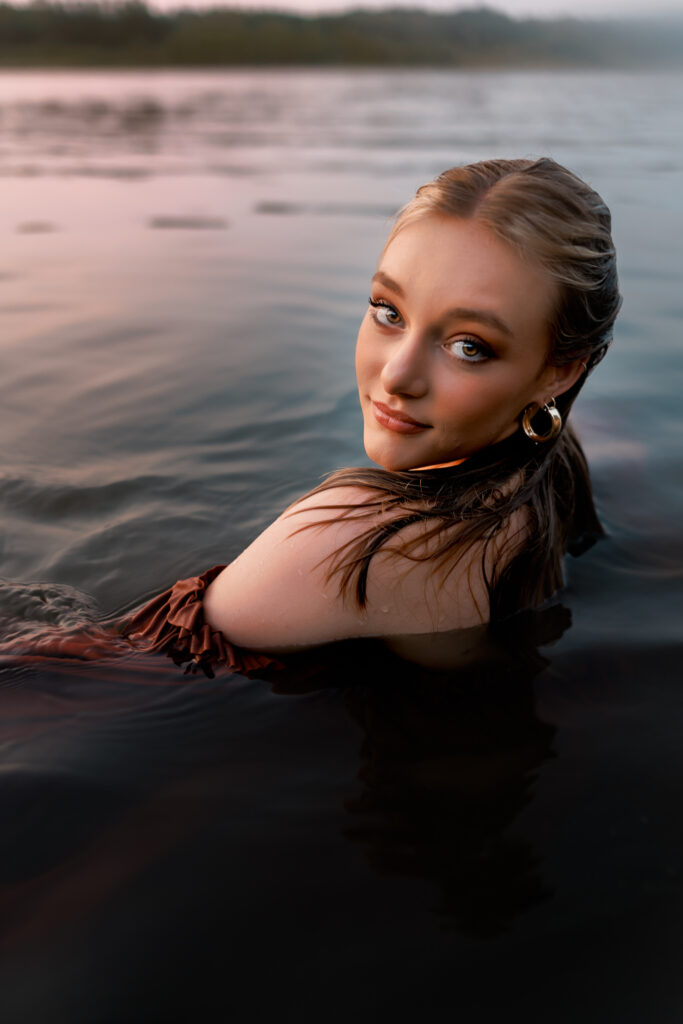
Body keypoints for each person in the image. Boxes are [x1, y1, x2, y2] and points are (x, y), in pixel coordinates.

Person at [122, 157, 621, 673]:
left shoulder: (354, 542)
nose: (397, 376)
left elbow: (99, 689)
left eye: (469, 346)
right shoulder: (552, 472)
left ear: (557, 373)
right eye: (389, 311)